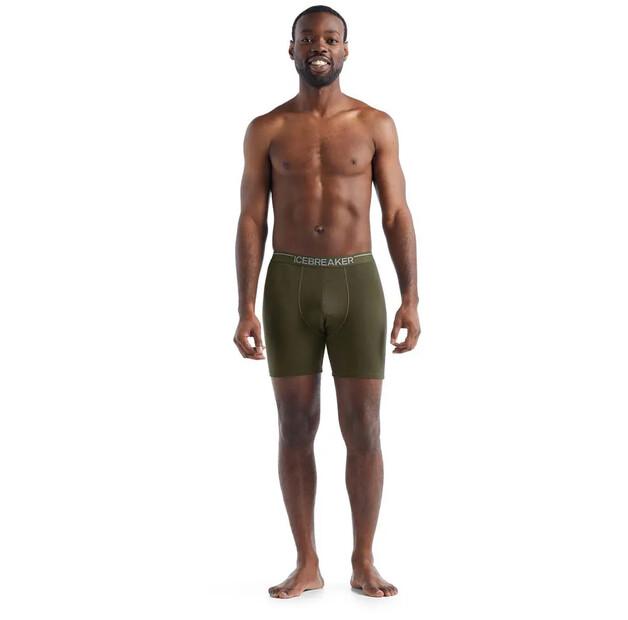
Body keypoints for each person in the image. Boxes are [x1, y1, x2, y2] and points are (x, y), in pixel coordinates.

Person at [233, 5, 420, 599]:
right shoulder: (266, 128)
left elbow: (395, 213)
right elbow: (251, 219)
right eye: (308, 38)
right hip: (287, 285)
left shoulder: (375, 124)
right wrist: (244, 306)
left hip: (357, 283)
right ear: (291, 49)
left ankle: (364, 560)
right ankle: (307, 562)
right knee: (295, 424)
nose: (320, 46)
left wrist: (411, 298)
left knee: (363, 425)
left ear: (346, 49)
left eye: (331, 38)